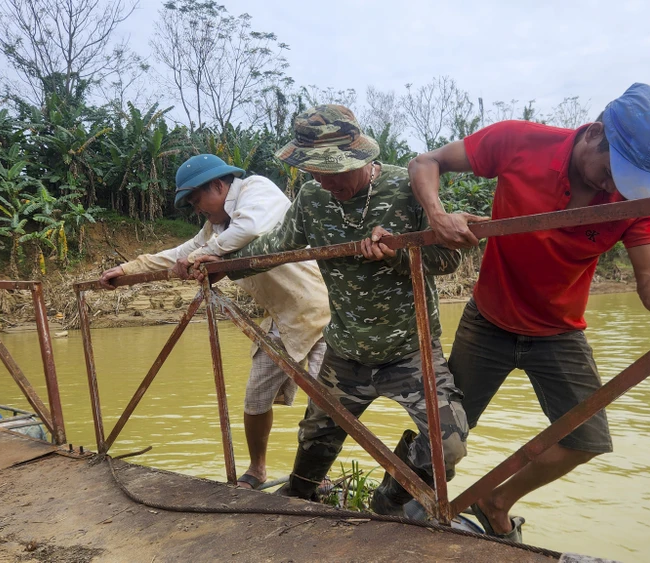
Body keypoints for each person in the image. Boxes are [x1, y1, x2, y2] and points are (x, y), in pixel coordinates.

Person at [407, 83, 650, 540]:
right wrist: (438, 215)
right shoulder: (520, 141)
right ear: (595, 133)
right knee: (444, 430)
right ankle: (400, 495)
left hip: (559, 331)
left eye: (629, 181)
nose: (615, 187)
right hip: (489, 321)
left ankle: (494, 500)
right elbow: (425, 161)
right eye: (612, 170)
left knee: (586, 440)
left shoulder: (634, 200)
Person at [188, 105, 469, 518]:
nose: (323, 180)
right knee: (315, 439)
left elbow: (447, 262)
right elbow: (276, 246)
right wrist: (219, 266)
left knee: (448, 444)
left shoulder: (403, 188)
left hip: (410, 350)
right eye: (315, 171)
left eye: (332, 170)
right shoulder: (313, 197)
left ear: (361, 157)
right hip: (346, 352)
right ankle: (300, 500)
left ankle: (391, 498)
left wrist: (397, 251)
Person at [99, 154, 330, 491]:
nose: (197, 209)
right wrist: (131, 268)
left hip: (320, 311)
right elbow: (184, 251)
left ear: (220, 186)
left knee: (324, 402)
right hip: (281, 318)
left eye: (196, 200)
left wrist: (200, 257)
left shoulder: (256, 190)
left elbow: (249, 228)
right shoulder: (215, 229)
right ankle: (257, 470)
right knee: (255, 398)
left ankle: (314, 476)